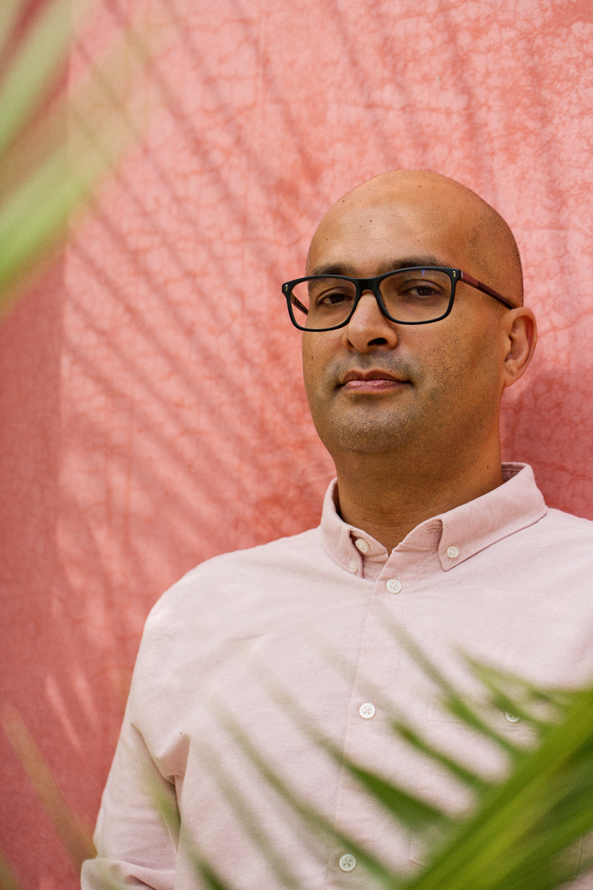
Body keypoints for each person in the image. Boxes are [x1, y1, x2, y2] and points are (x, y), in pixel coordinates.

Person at [82, 170, 593, 890]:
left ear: (513, 345)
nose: (362, 328)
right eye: (330, 298)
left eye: (418, 289)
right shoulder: (198, 615)